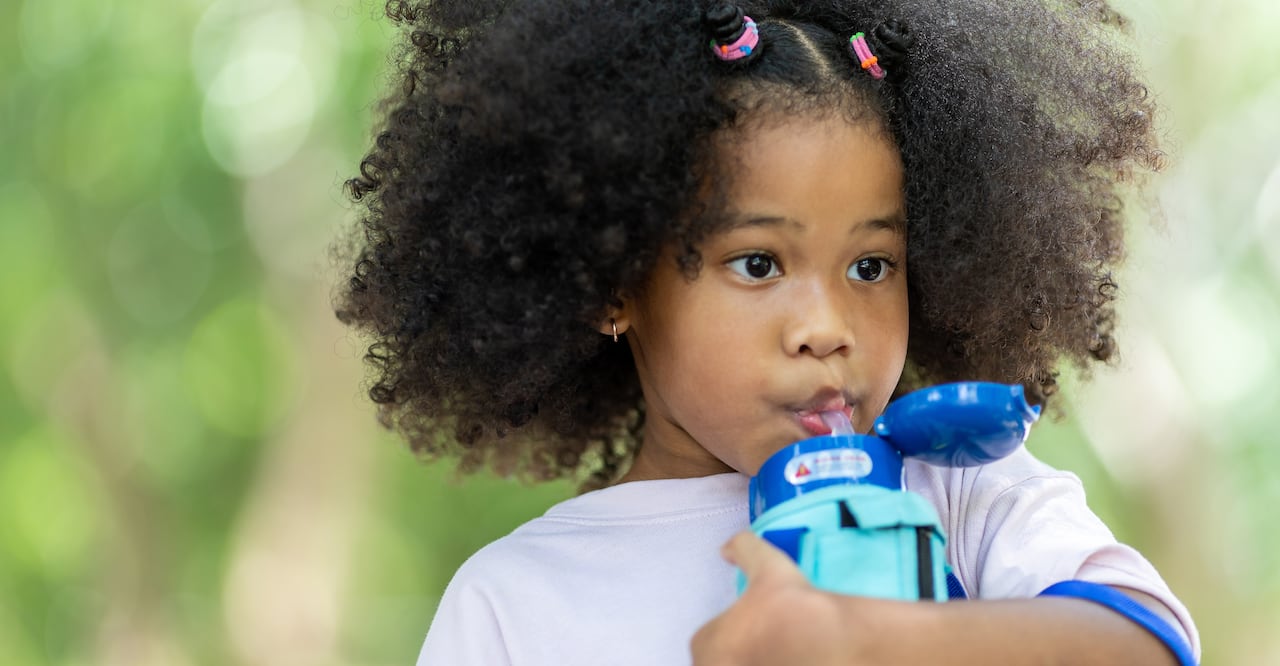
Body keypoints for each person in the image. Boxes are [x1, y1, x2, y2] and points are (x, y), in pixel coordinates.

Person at [334, 0, 1200, 663]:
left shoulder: (962, 492)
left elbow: (1149, 641)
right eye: (756, 264)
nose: (827, 329)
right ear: (610, 282)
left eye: (871, 267)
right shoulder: (512, 603)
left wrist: (861, 639)